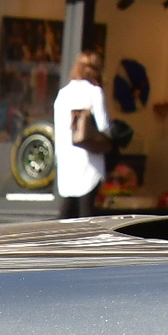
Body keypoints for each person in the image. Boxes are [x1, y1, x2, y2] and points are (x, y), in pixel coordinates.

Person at [52, 48, 110, 219]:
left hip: (66, 159)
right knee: (87, 213)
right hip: (88, 160)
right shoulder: (94, 92)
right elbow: (104, 126)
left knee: (67, 212)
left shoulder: (63, 94)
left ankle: (57, 243)